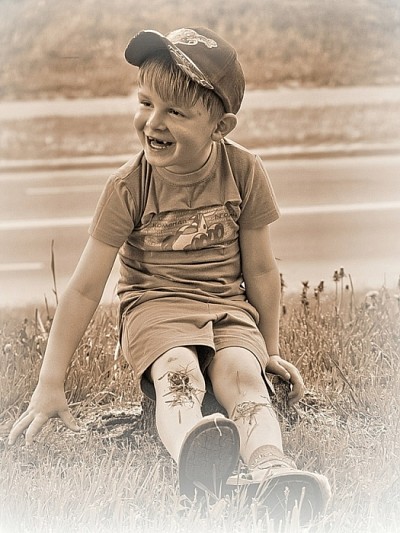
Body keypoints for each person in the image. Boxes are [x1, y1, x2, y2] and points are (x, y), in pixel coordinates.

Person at [9, 27, 331, 523]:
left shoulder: (244, 171)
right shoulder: (128, 186)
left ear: (220, 126)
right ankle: (194, 458)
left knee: (243, 377)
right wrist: (50, 383)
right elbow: (84, 288)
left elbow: (262, 270)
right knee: (178, 371)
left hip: (227, 307)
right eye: (145, 103)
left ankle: (273, 470)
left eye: (175, 112)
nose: (152, 122)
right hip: (155, 308)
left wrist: (268, 351)